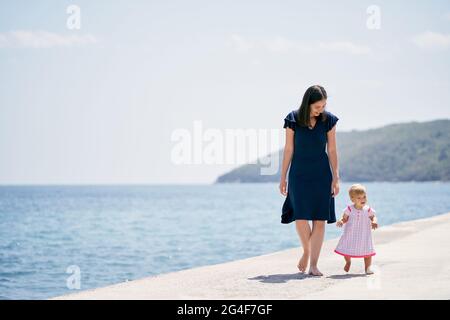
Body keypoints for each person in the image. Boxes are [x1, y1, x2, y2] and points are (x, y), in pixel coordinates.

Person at [279, 85, 340, 276]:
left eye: (323, 106)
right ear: (308, 104)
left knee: (320, 219)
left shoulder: (328, 120)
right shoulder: (293, 119)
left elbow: (332, 150)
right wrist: (283, 177)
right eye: (317, 107)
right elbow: (289, 149)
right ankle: (307, 252)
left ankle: (313, 264)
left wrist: (336, 177)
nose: (320, 110)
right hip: (299, 174)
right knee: (301, 216)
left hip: (322, 174)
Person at [334, 184, 378, 274]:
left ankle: (368, 268)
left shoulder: (368, 209)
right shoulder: (349, 209)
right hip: (351, 234)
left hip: (364, 235)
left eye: (364, 197)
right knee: (346, 249)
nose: (363, 199)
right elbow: (344, 218)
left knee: (367, 252)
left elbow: (373, 217)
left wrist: (374, 221)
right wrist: (341, 221)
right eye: (359, 198)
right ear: (352, 199)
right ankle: (348, 261)